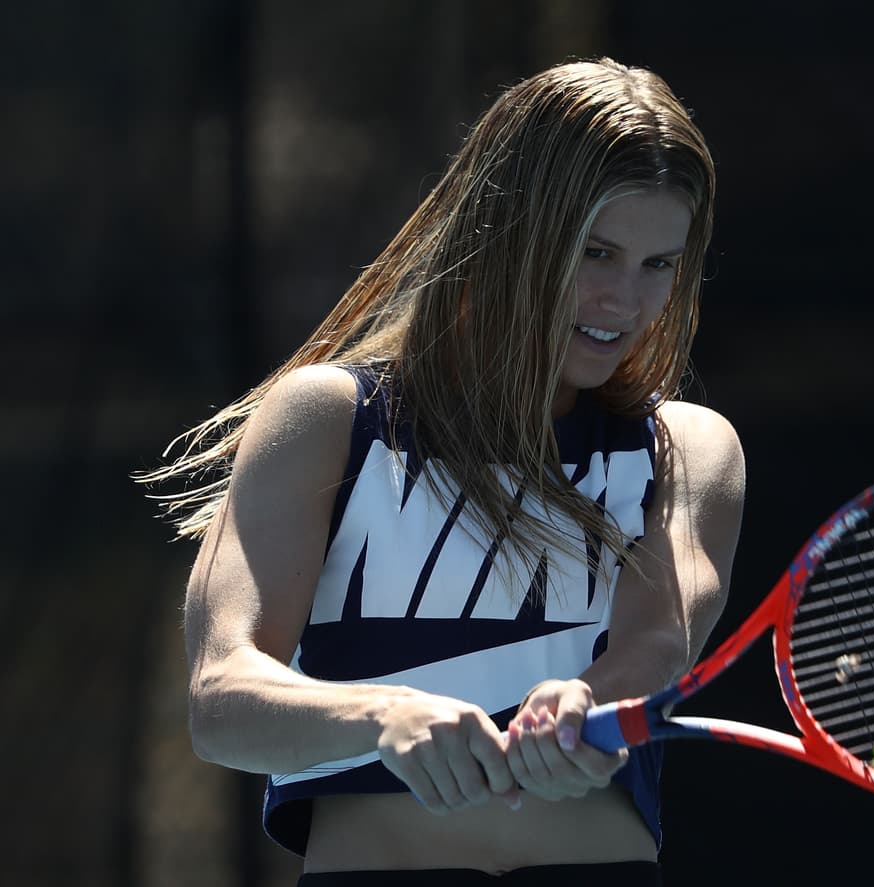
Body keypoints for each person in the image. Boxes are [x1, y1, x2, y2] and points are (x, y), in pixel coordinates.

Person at [141, 57, 746, 885]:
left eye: (658, 264)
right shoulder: (327, 419)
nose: (624, 301)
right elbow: (221, 700)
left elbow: (657, 638)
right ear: (508, 232)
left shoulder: (686, 447)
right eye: (597, 251)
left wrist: (590, 698)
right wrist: (383, 714)